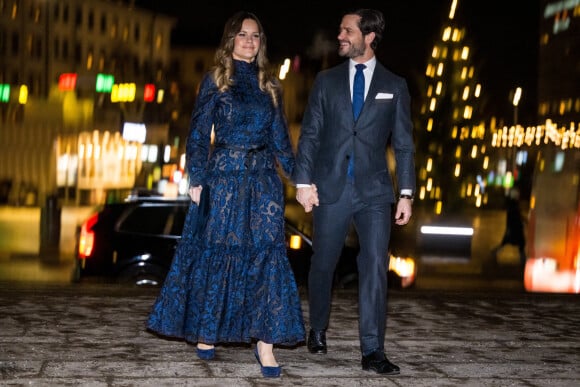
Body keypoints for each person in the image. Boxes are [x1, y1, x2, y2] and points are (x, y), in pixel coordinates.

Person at [146, 11, 305, 378]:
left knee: (266, 260)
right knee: (217, 255)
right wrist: (197, 178)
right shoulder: (216, 80)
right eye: (243, 34)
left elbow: (282, 141)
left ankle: (264, 345)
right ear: (231, 39)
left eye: (256, 36)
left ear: (261, 43)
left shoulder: (270, 85)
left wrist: (301, 183)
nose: (250, 41)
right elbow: (200, 135)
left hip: (264, 182)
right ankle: (208, 329)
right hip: (224, 180)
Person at [294, 8, 416, 375]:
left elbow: (405, 144)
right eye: (341, 30)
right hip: (330, 187)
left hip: (376, 191)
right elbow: (311, 135)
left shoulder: (395, 86)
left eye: (348, 31)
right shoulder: (326, 81)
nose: (341, 36)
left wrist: (406, 192)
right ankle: (317, 327)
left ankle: (372, 350)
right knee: (323, 263)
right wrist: (303, 182)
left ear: (370, 36)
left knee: (376, 265)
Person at [492, 187, 527, 267]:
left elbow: (516, 216)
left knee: (509, 243)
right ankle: (523, 260)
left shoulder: (513, 205)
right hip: (515, 228)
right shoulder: (513, 206)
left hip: (515, 228)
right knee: (519, 244)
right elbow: (514, 217)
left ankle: (523, 259)